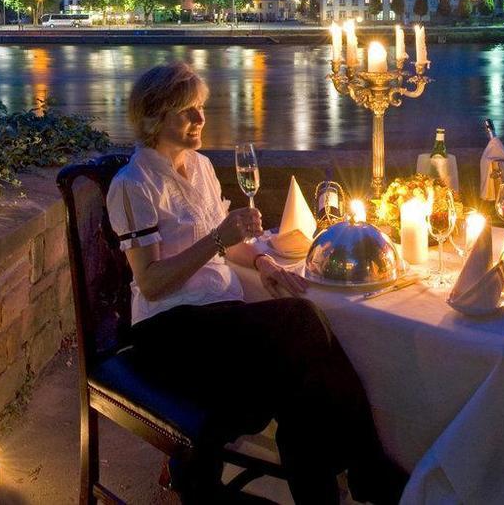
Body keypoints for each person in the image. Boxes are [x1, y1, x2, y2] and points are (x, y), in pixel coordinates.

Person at [106, 60, 406, 504]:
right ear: (154, 117)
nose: (200, 119)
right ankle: (368, 468)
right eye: (187, 111)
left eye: (202, 108)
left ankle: (334, 487)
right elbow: (150, 282)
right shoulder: (134, 184)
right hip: (169, 330)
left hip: (220, 317)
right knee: (303, 319)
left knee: (303, 389)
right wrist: (217, 239)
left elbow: (230, 244)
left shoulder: (202, 168)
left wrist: (263, 261)